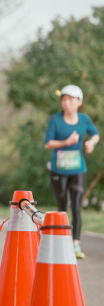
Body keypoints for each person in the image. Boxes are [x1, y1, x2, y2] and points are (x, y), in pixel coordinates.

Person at [44, 84, 99, 259]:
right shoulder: (56, 119)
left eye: (70, 99)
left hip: (77, 169)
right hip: (58, 170)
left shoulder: (84, 119)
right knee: (62, 206)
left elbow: (95, 134)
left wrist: (91, 143)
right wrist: (66, 142)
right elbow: (48, 143)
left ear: (79, 101)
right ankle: (61, 242)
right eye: (63, 99)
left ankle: (75, 244)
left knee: (76, 206)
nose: (66, 102)